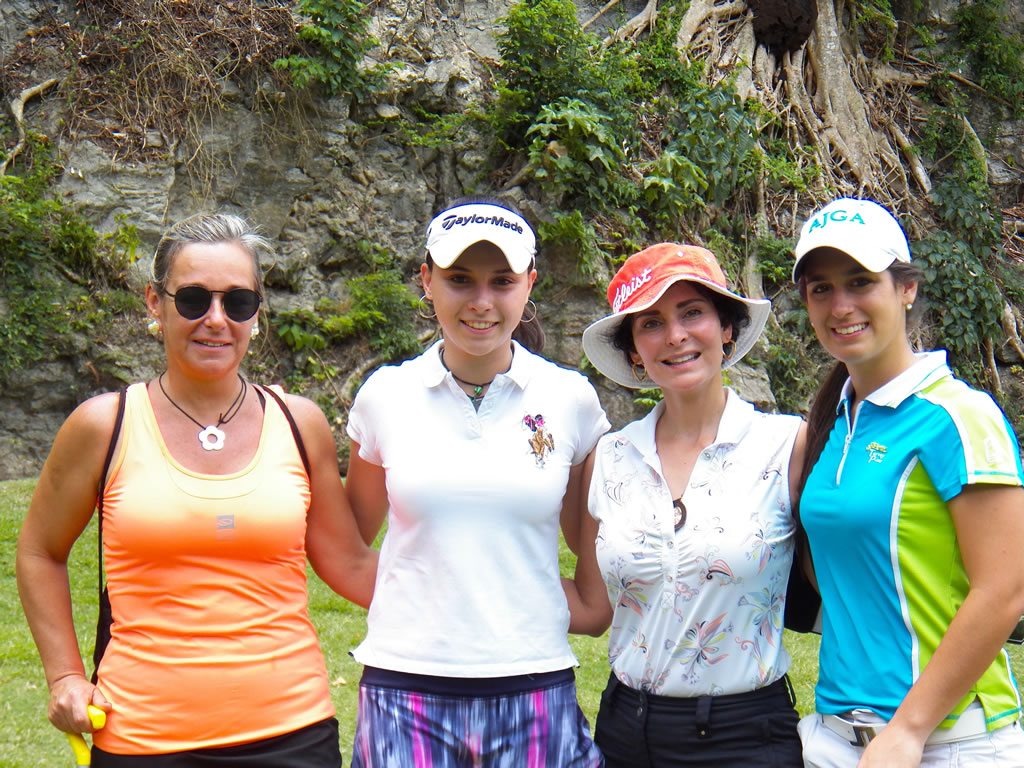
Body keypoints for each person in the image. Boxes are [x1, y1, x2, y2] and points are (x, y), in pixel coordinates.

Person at [16, 213, 378, 766]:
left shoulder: (299, 423)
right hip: (142, 738)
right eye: (192, 299)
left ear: (256, 313)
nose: (215, 320)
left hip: (294, 733)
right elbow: (40, 551)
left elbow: (350, 563)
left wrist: (478, 592)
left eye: (237, 302)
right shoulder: (103, 425)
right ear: (154, 304)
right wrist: (65, 675)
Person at [343, 197, 610, 767]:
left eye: (502, 281)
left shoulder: (570, 399)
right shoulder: (385, 395)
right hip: (405, 689)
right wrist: (429, 602)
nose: (481, 302)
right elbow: (351, 543)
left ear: (529, 284)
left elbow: (589, 547)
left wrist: (522, 602)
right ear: (427, 281)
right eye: (460, 279)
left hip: (533, 682)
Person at [791, 197, 1024, 767]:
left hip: (949, 742)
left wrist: (909, 729)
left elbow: (1006, 589)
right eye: (821, 288)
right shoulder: (835, 423)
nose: (840, 305)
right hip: (839, 734)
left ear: (906, 289)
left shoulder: (959, 416)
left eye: (860, 282)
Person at [578, 242, 807, 766]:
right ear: (634, 350)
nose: (675, 335)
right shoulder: (611, 457)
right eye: (651, 323)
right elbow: (592, 604)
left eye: (692, 313)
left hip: (744, 736)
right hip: (627, 731)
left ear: (726, 327)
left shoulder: (786, 446)